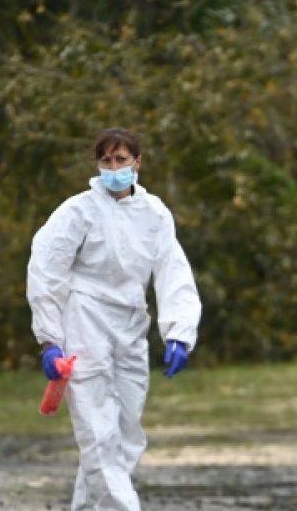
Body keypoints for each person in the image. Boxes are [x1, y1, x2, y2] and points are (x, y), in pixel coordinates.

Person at [26, 128, 201, 510]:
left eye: (121, 159)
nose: (113, 168)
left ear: (137, 162)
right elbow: (46, 270)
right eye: (106, 160)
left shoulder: (154, 213)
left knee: (125, 434)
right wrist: (50, 338)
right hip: (85, 319)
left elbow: (172, 271)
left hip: (131, 324)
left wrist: (179, 333)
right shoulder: (78, 211)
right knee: (97, 430)